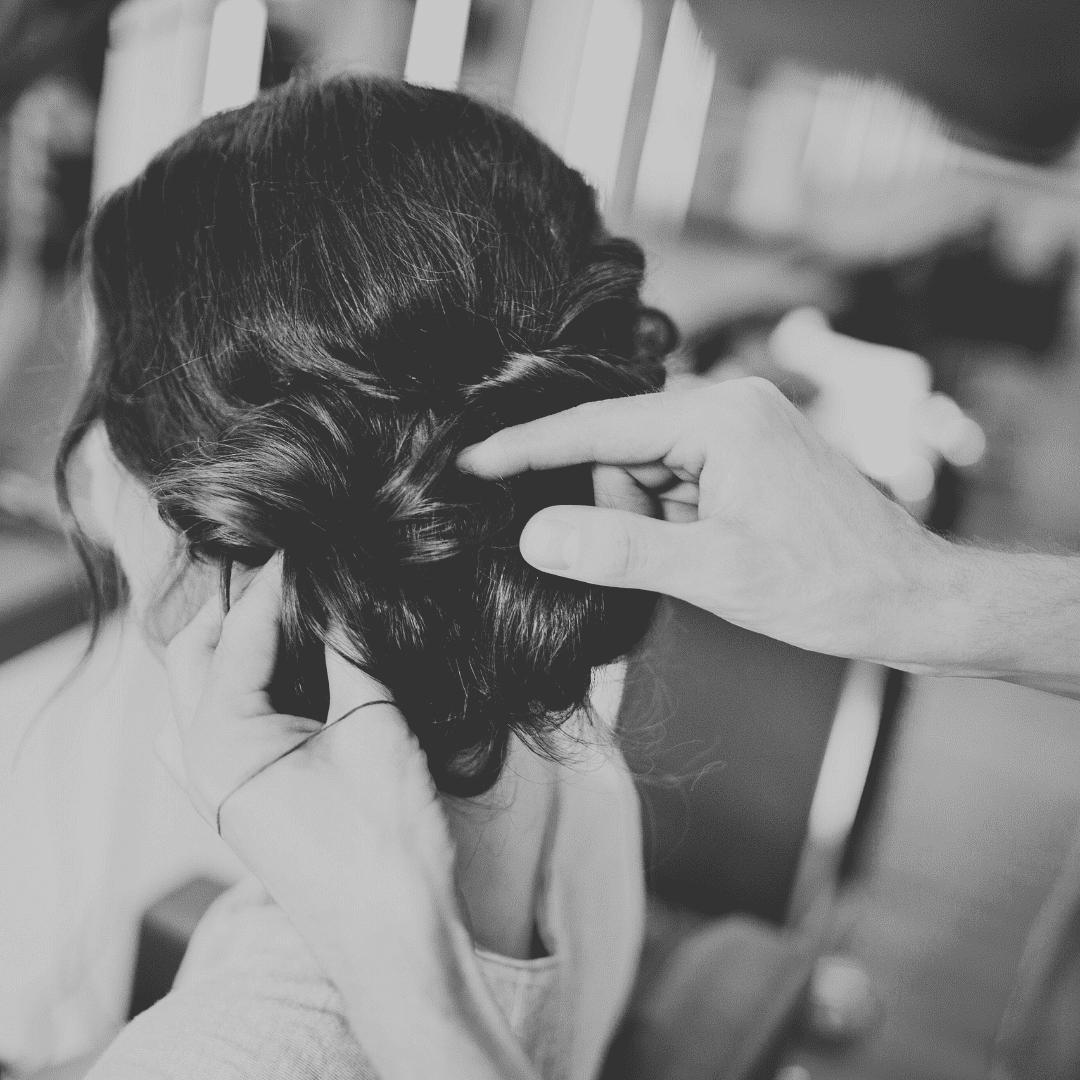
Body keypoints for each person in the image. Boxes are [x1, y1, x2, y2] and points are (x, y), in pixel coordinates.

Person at [60, 74, 682, 1080]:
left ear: (231, 517)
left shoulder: (226, 1057)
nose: (90, 474)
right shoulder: (572, 769)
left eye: (106, 414)